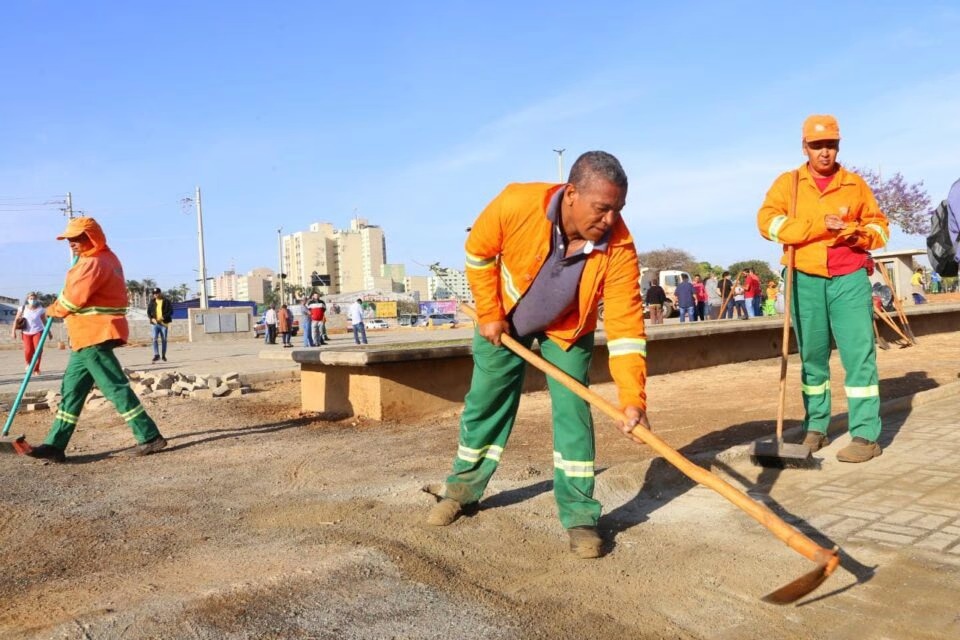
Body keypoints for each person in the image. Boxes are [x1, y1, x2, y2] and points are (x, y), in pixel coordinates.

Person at [427, 151, 651, 560]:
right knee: (486, 403)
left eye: (618, 210)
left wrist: (633, 398)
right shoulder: (516, 203)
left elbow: (626, 328)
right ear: (571, 194)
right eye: (601, 208)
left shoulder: (619, 246)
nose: (609, 220)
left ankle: (580, 515)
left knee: (574, 411)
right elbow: (478, 252)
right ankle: (462, 490)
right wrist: (492, 313)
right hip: (505, 322)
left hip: (567, 330)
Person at [757, 114, 889, 463]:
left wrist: (854, 233)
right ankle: (816, 426)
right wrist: (819, 226)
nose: (824, 152)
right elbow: (767, 223)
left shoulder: (855, 184)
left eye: (830, 145)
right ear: (805, 147)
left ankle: (865, 435)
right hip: (804, 279)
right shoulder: (789, 184)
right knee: (813, 359)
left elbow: (881, 229)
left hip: (849, 279)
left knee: (859, 358)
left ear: (838, 146)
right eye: (817, 146)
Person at [27, 217, 167, 463]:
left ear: (92, 237)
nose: (72, 243)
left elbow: (71, 302)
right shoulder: (106, 258)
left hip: (94, 334)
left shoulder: (91, 263)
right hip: (85, 337)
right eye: (69, 239)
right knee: (71, 391)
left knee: (114, 387)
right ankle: (55, 444)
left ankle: (149, 436)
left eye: (78, 238)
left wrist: (52, 310)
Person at [11, 292, 47, 375]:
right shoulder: (22, 308)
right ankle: (28, 364)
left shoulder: (40, 309)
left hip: (38, 332)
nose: (33, 300)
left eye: (34, 298)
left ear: (36, 299)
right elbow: (16, 320)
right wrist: (13, 332)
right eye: (31, 299)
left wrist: (49, 332)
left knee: (38, 351)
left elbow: (44, 321)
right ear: (27, 299)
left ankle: (36, 369)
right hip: (26, 333)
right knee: (28, 350)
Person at [146, 287, 172, 363]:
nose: (155, 295)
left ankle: (163, 355)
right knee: (154, 339)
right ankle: (156, 355)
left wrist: (163, 317)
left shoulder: (166, 301)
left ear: (160, 293)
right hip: (155, 324)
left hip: (164, 324)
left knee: (164, 340)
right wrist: (151, 319)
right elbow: (148, 312)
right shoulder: (152, 302)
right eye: (154, 294)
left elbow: (170, 311)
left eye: (157, 293)